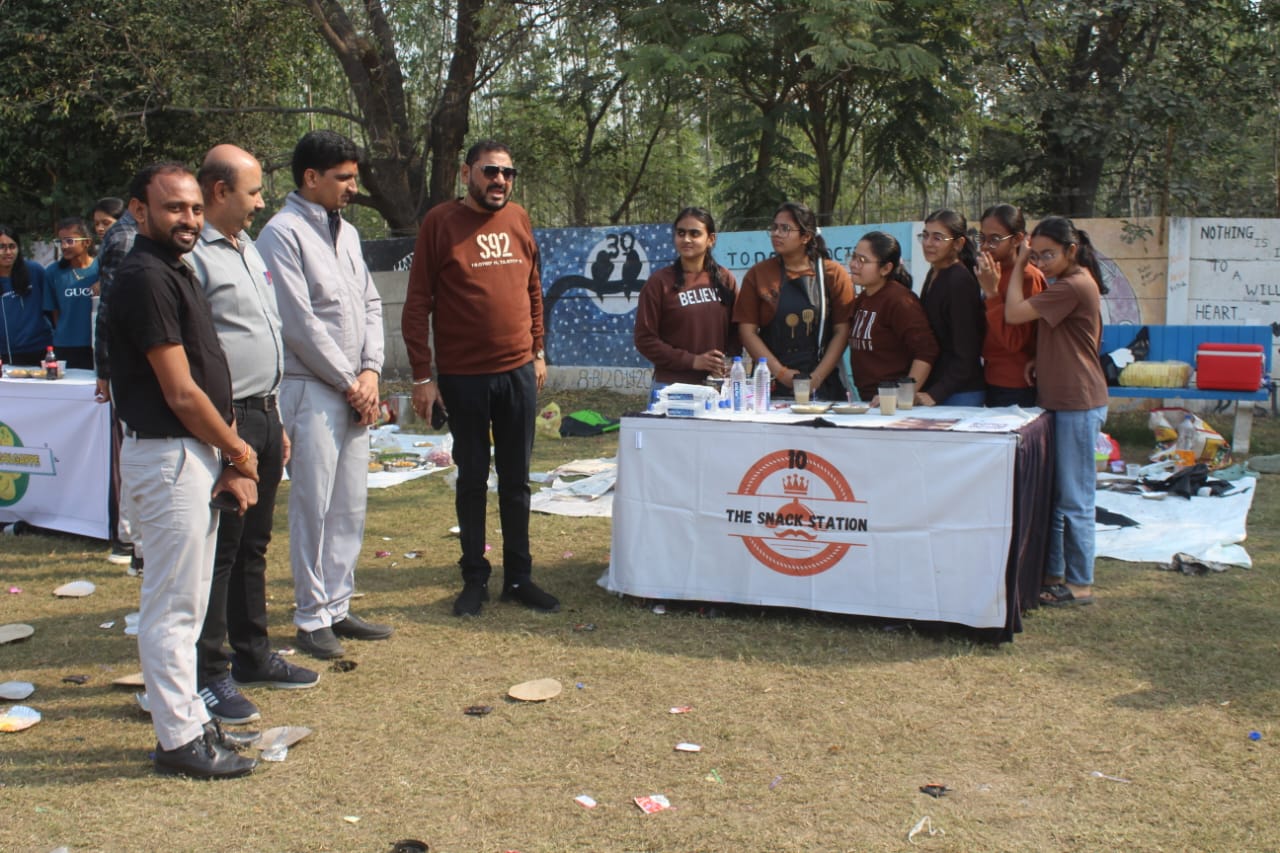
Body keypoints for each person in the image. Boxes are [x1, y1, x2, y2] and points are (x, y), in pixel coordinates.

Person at [108, 161, 261, 778]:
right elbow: (179, 391)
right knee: (172, 608)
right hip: (169, 454)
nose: (190, 219)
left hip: (190, 452)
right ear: (139, 210)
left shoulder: (174, 269)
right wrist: (238, 450)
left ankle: (191, 721)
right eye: (174, 208)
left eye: (196, 208)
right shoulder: (145, 276)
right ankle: (177, 739)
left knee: (189, 604)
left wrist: (224, 450)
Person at [402, 139, 559, 617]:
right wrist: (423, 377)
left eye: (508, 173)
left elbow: (533, 287)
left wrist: (538, 350)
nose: (500, 181)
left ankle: (519, 578)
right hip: (463, 377)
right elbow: (418, 303)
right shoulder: (440, 223)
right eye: (490, 171)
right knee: (472, 479)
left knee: (516, 481)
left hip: (517, 372)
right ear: (465, 172)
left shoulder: (519, 218)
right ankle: (474, 578)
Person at [188, 144, 318, 724]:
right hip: (228, 419)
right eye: (253, 192)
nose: (261, 202)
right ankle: (210, 672)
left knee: (254, 544)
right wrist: (227, 438)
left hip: (265, 411)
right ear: (219, 191)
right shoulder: (194, 258)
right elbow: (198, 354)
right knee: (222, 549)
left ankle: (253, 653)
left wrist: (277, 418)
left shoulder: (247, 248)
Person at [257, 130, 391, 659]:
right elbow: (298, 323)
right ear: (311, 177)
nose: (352, 187)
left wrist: (371, 372)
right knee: (313, 505)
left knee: (349, 504)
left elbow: (372, 304)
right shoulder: (281, 233)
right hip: (311, 387)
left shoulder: (349, 233)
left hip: (355, 388)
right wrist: (350, 383)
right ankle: (311, 616)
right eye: (343, 178)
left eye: (354, 177)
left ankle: (337, 604)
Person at [1003, 216, 1108, 607]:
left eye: (1047, 255)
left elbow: (1013, 313)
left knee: (1075, 498)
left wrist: (1019, 264)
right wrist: (1040, 359)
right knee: (1060, 496)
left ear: (1071, 250)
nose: (1041, 262)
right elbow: (1067, 337)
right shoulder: (1067, 283)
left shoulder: (1073, 285)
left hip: (1077, 402)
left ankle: (1080, 585)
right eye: (1037, 255)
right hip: (1062, 399)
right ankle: (1054, 574)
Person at [734, 202, 853, 400]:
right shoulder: (758, 274)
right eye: (774, 227)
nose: (776, 233)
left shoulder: (833, 274)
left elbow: (842, 331)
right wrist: (780, 373)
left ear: (806, 237)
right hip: (772, 385)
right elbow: (747, 331)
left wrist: (817, 377)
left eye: (785, 229)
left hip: (823, 385)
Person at [633, 207, 738, 388]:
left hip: (716, 385)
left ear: (711, 239)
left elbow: (738, 329)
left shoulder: (725, 279)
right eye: (681, 233)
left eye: (694, 233)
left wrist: (730, 361)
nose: (686, 239)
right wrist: (692, 361)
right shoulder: (659, 282)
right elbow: (645, 339)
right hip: (671, 387)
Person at [93, 200, 143, 572]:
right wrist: (105, 370)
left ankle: (131, 541)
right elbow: (108, 310)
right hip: (135, 366)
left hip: (141, 363)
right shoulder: (126, 237)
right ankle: (131, 543)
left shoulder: (132, 234)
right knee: (137, 451)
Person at [846, 231, 938, 403]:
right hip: (869, 401)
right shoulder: (862, 300)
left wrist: (901, 395)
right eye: (853, 257)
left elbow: (926, 351)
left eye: (862, 260)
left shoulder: (899, 300)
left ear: (886, 268)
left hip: (893, 405)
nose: (853, 264)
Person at [975, 204, 1046, 407]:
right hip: (990, 376)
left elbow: (1014, 342)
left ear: (1017, 239)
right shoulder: (991, 270)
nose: (985, 246)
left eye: (995, 239)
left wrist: (992, 294)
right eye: (982, 238)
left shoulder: (1028, 277)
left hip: (1017, 383)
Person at [916, 209, 985, 407]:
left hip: (959, 393)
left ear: (958, 243)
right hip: (938, 388)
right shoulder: (934, 273)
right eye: (925, 235)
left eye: (937, 238)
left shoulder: (959, 281)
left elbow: (968, 351)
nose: (928, 243)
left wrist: (935, 394)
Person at [43, 216, 98, 369]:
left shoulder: (102, 269)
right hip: (65, 345)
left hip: (97, 343)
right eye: (60, 241)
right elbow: (54, 312)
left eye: (69, 241)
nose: (64, 246)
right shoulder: (53, 272)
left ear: (86, 242)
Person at [0, 224, 53, 366]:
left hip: (37, 350)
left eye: (12, 246)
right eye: (2, 247)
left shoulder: (34, 271)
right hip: (3, 354)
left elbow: (51, 308)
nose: (8, 252)